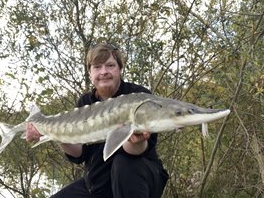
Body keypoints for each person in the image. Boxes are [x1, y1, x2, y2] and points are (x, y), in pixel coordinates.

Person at [26, 43, 168, 198]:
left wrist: (136, 140)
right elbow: (80, 154)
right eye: (97, 67)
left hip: (138, 178)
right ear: (90, 73)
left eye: (110, 65)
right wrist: (55, 134)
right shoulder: (85, 102)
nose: (104, 72)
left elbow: (139, 152)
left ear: (120, 69)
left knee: (123, 164)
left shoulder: (139, 95)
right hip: (97, 183)